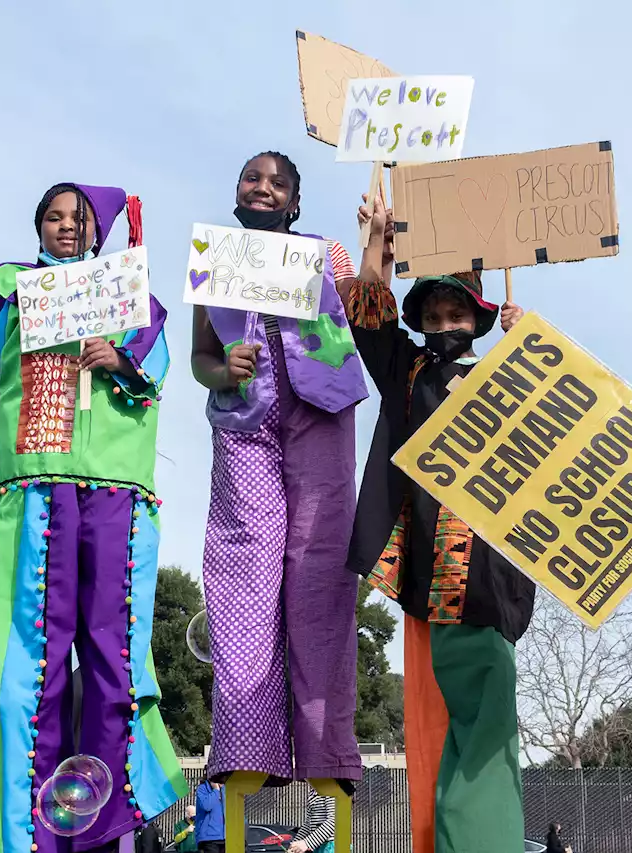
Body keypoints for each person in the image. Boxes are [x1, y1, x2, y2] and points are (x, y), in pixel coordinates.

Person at [0, 182, 185, 853]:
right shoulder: (12, 292)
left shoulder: (131, 297)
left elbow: (158, 367)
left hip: (116, 487)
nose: (66, 226)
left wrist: (117, 357)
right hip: (35, 485)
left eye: (78, 217)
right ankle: (25, 838)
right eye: (53, 217)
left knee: (117, 651)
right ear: (38, 229)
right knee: (31, 665)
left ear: (98, 232)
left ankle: (113, 827)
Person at [343, 199, 533, 853]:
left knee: (484, 722)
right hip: (427, 574)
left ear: (478, 316)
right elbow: (368, 316)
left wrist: (529, 340)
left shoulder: (510, 371)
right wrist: (376, 245)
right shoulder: (412, 372)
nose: (445, 324)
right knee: (436, 725)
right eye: (432, 315)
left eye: (457, 314)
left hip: (490, 574)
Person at [192, 153, 366, 799]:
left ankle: (329, 751)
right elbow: (200, 359)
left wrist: (375, 242)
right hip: (247, 424)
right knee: (244, 574)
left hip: (320, 409)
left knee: (320, 572)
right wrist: (224, 368)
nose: (261, 187)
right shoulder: (215, 258)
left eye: (277, 182)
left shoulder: (327, 253)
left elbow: (364, 312)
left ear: (295, 202)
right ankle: (246, 746)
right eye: (251, 177)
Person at [193, 779, 226, 853]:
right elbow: (206, 805)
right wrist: (216, 790)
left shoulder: (225, 789)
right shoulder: (202, 788)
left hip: (225, 837)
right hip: (208, 838)